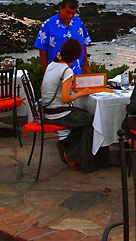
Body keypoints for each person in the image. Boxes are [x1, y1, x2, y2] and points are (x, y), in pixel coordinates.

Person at [41, 38, 109, 173]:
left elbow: (42, 88)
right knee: (91, 119)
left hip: (48, 111)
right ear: (77, 56)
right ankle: (76, 154)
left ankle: (69, 148)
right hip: (58, 114)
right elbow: (66, 99)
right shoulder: (67, 71)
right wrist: (82, 93)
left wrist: (67, 87)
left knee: (83, 117)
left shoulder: (51, 65)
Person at [34, 0, 91, 75]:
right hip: (56, 73)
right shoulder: (48, 24)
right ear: (60, 8)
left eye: (73, 13)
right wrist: (46, 73)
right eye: (68, 12)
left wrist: (86, 65)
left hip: (76, 72)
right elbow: (42, 49)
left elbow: (84, 43)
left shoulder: (78, 22)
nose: (70, 16)